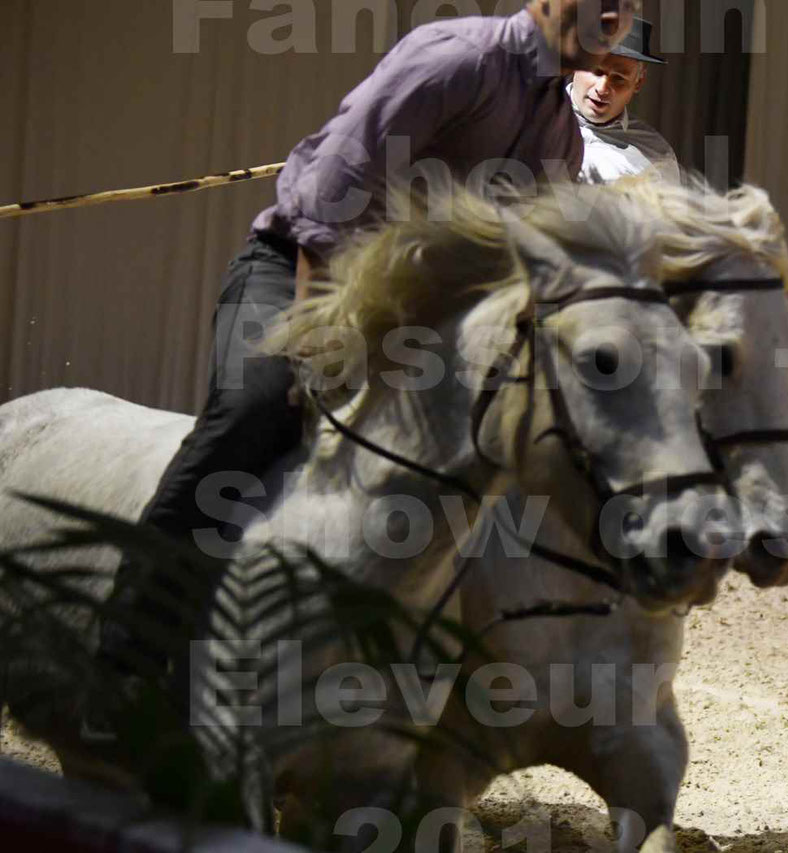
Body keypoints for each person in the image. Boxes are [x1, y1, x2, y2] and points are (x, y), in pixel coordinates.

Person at [89, 0, 638, 737]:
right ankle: (121, 666)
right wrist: (321, 338)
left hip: (414, 317)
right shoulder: (455, 58)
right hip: (303, 270)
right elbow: (327, 199)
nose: (615, 14)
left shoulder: (559, 137)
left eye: (628, 7)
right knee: (256, 414)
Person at [567, 16, 681, 185]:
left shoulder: (657, 156)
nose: (602, 88)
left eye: (619, 78)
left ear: (638, 82)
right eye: (595, 71)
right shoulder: (530, 123)